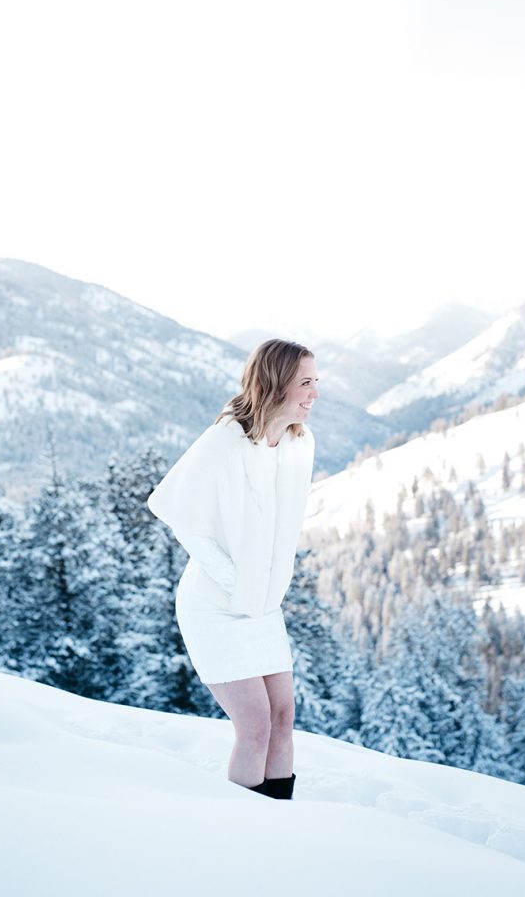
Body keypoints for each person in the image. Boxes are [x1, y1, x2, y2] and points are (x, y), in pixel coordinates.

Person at [147, 339, 319, 800]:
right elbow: (172, 510)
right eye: (305, 382)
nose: (314, 393)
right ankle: (245, 828)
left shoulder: (299, 445)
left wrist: (261, 589)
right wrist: (236, 580)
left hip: (261, 606)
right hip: (214, 606)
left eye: (315, 382)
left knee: (283, 721)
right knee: (256, 725)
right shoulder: (225, 439)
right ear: (277, 383)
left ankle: (277, 817)